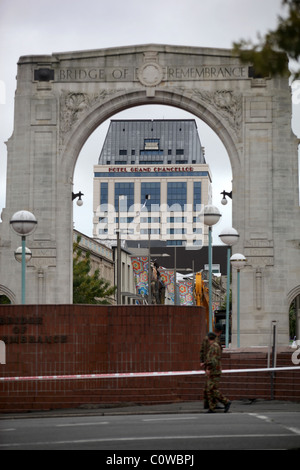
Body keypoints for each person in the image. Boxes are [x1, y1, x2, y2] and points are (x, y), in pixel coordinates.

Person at [205, 332, 231, 413]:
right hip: (215, 369)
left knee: (212, 389)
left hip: (214, 371)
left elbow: (212, 360)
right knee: (210, 389)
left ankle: (226, 402)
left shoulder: (213, 347)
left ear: (209, 338)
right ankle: (212, 407)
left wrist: (208, 367)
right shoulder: (216, 346)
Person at [200, 324, 223, 409]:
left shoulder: (206, 338)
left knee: (207, 386)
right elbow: (216, 356)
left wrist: (202, 361)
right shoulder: (215, 341)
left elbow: (202, 350)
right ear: (220, 331)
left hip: (206, 364)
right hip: (212, 366)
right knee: (213, 386)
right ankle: (214, 404)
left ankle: (207, 404)